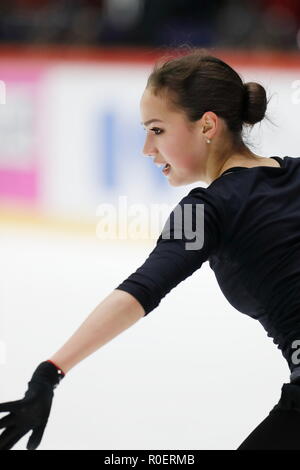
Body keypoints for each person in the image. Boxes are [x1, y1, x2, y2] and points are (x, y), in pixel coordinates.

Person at [1, 48, 300, 451]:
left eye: (157, 130)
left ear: (208, 125)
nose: (146, 148)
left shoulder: (210, 209)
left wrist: (50, 372)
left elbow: (142, 289)